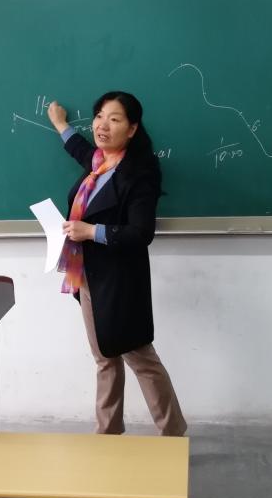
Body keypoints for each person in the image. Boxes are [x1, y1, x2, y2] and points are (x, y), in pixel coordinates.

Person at [47, 92, 187, 437]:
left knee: (139, 357)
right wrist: (61, 125)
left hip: (121, 280)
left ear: (132, 128)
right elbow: (80, 148)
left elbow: (141, 233)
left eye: (114, 119)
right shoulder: (97, 163)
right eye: (99, 116)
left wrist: (90, 231)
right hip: (88, 277)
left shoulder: (139, 173)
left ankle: (172, 434)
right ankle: (107, 435)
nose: (102, 125)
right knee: (104, 358)